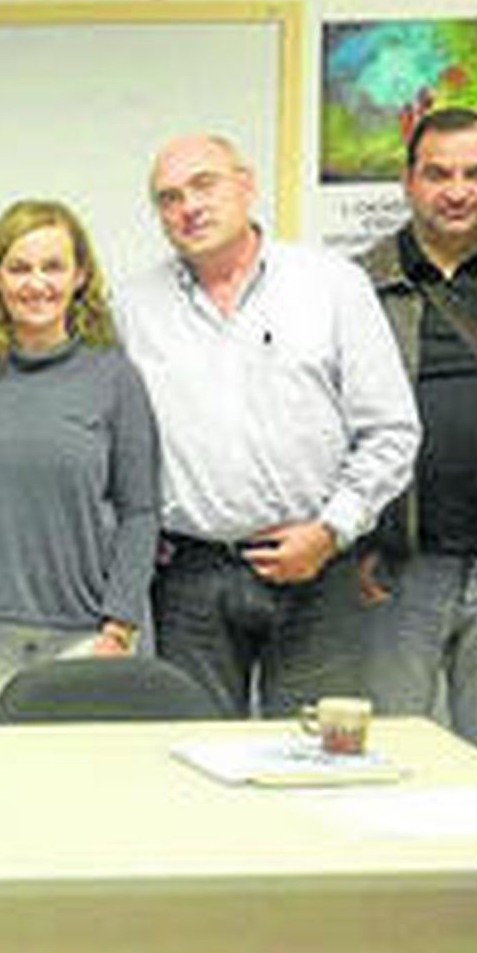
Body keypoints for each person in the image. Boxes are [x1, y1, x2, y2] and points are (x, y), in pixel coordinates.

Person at [116, 134, 419, 716]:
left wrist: (331, 530)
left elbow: (391, 431)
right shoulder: (134, 307)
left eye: (204, 184)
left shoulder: (332, 286)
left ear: (247, 185)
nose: (189, 207)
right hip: (190, 579)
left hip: (316, 570)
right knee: (195, 761)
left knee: (314, 762)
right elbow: (115, 439)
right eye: (169, 198)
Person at [356, 107, 477, 773]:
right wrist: (351, 540)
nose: (457, 190)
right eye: (438, 173)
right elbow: (328, 428)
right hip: (394, 572)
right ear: (408, 182)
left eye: (476, 173)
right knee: (381, 766)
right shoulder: (357, 284)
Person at [0, 199, 160, 724]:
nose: (37, 284)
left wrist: (119, 623)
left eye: (52, 267)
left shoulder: (114, 378)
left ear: (80, 276)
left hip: (82, 635)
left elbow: (140, 511)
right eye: (19, 267)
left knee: (70, 789)